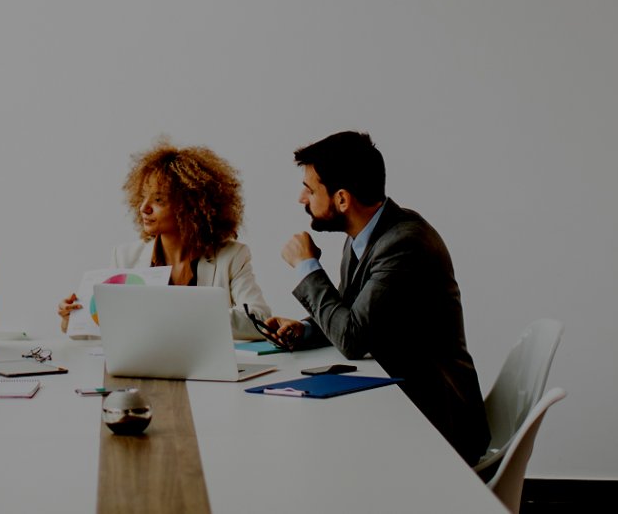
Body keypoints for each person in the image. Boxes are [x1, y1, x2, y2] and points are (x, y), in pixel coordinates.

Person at [263, 130, 489, 466]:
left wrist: (307, 266)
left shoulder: (403, 244)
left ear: (342, 199)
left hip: (436, 422)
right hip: (402, 402)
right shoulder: (366, 236)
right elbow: (353, 315)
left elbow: (352, 337)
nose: (301, 198)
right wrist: (306, 330)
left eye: (310, 189)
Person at [57, 139, 270, 339]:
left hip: (206, 371)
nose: (144, 208)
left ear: (191, 207)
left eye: (158, 199)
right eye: (143, 197)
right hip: (142, 368)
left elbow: (260, 320)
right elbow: (108, 329)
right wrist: (72, 321)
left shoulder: (232, 256)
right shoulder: (125, 258)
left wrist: (185, 313)